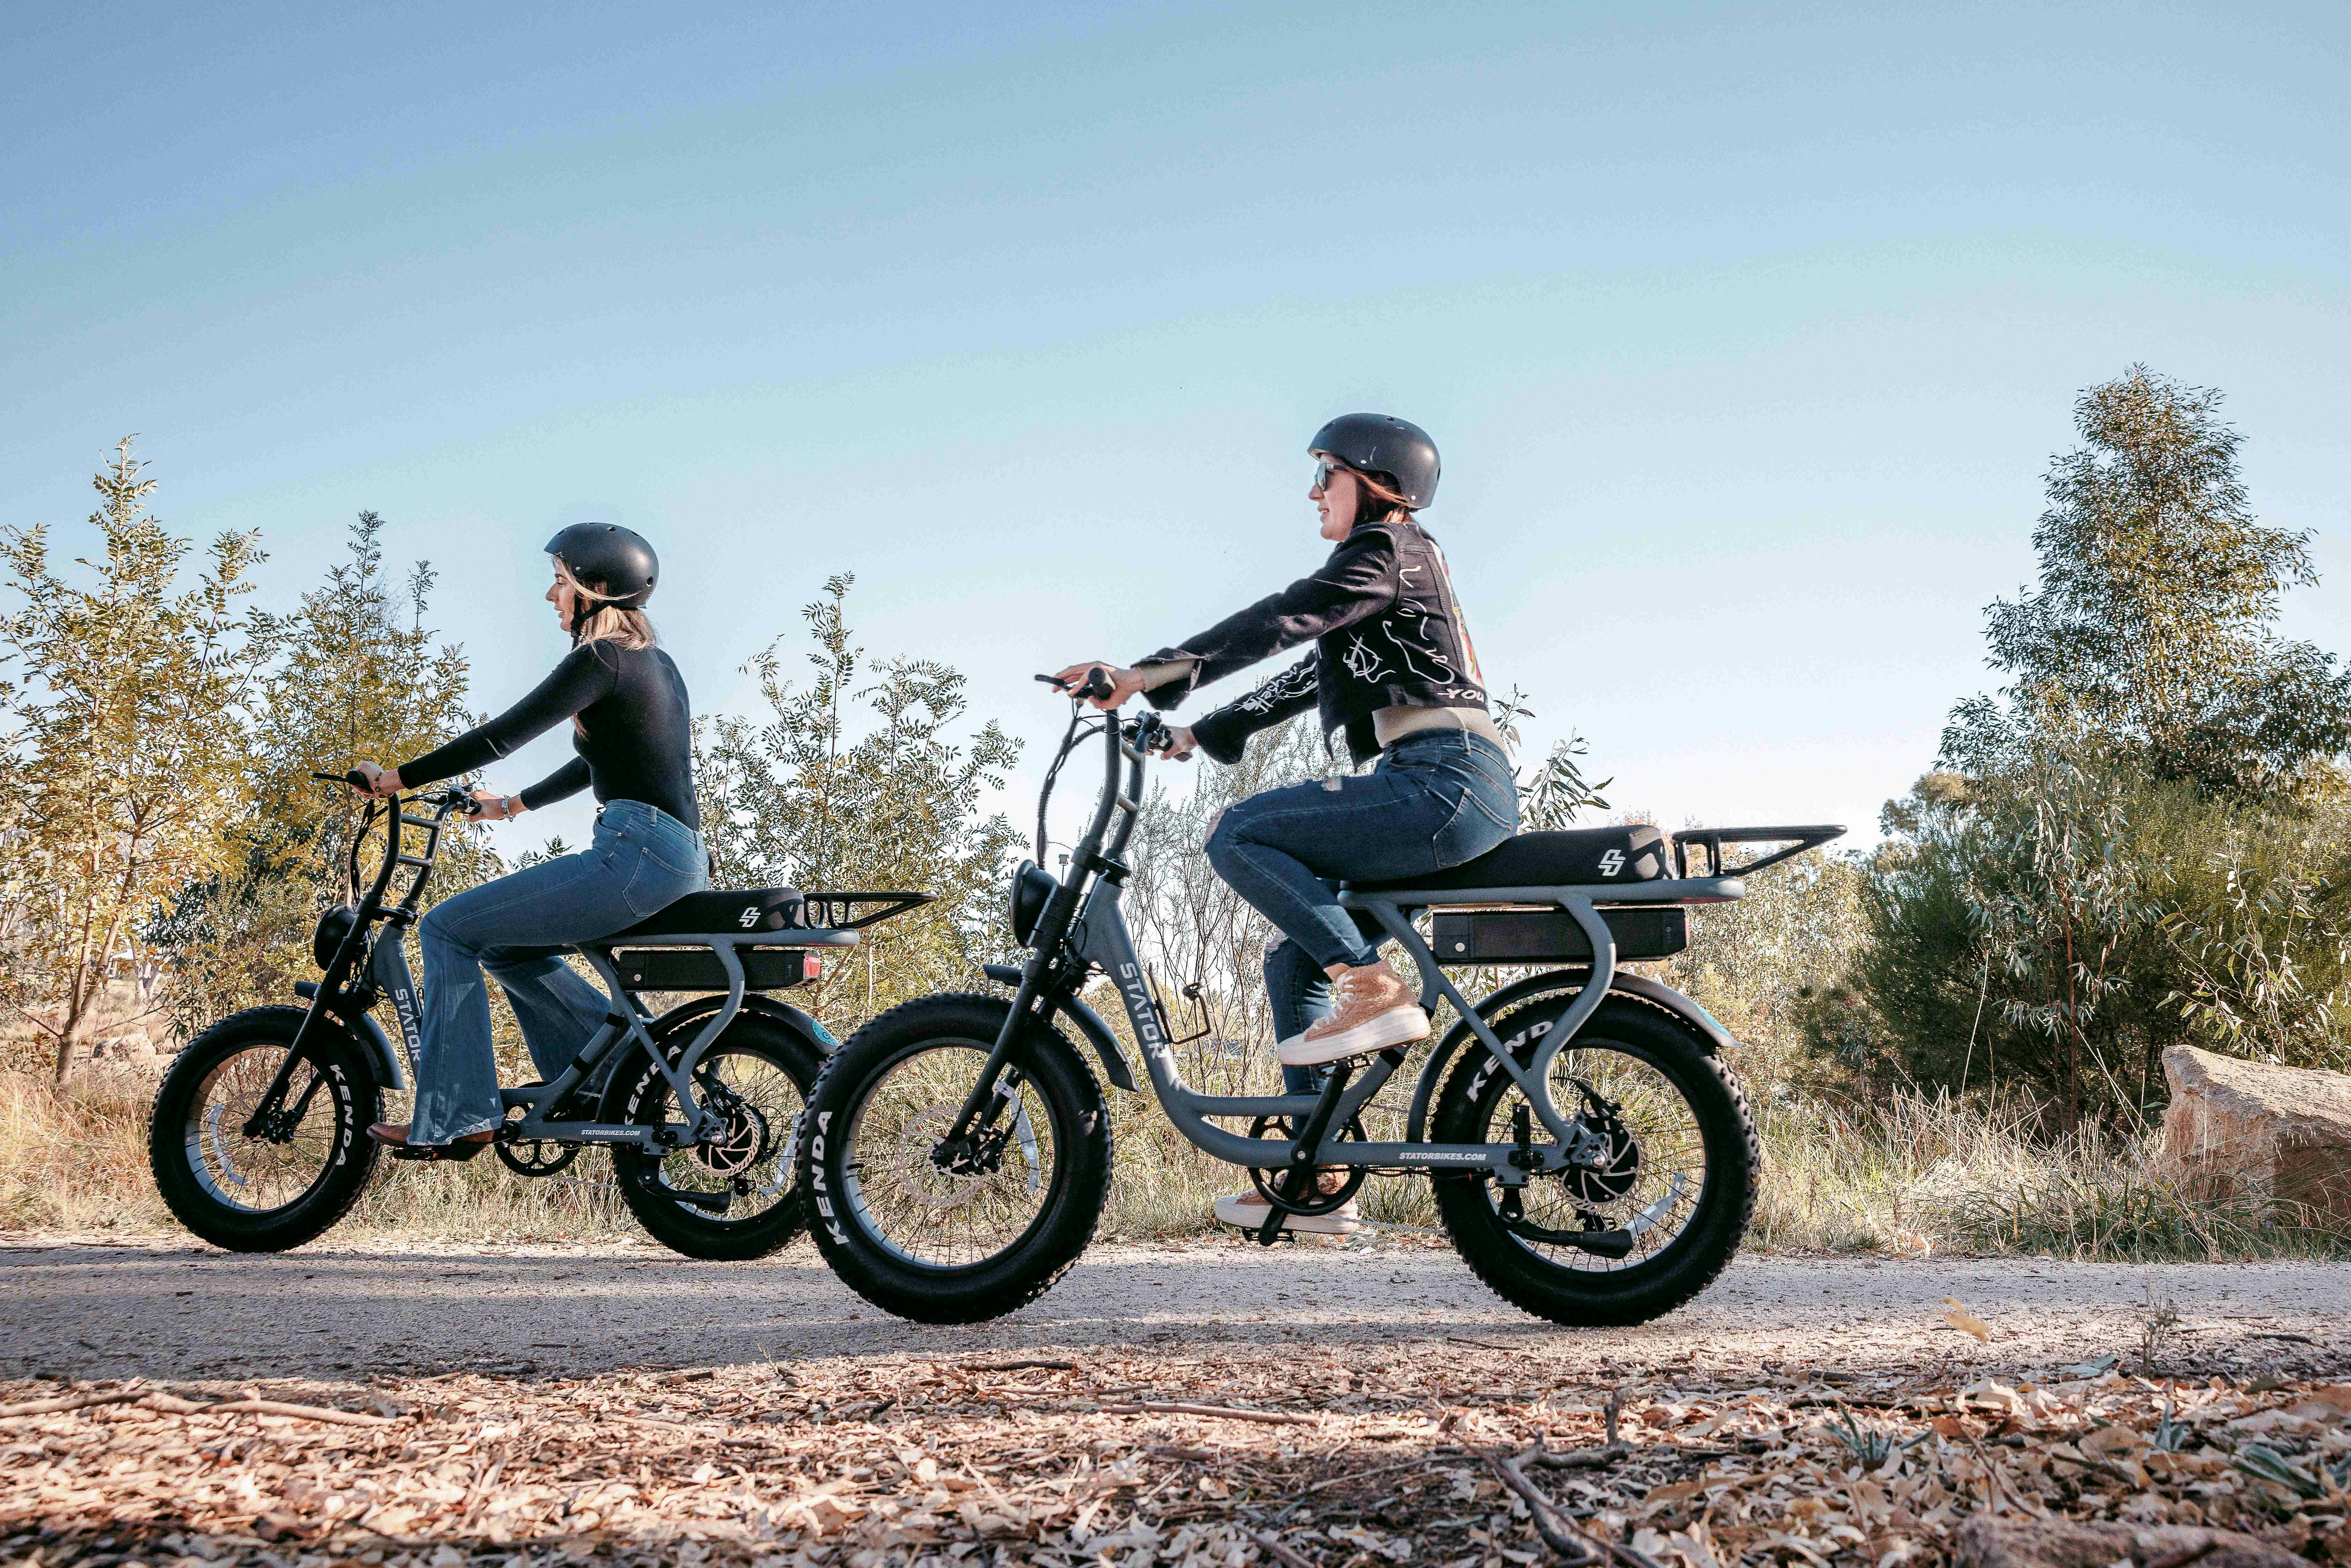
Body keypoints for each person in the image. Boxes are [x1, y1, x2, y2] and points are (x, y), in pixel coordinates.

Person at [1053, 413, 1519, 1234]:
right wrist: (1202, 731)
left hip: (1441, 779)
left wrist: (1148, 673)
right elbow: (1313, 667)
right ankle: (1315, 1165)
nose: (1313, 493)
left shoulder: (1385, 551)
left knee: (1237, 833)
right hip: (1439, 785)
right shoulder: (1391, 573)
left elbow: (1283, 615)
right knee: (1292, 963)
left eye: (1326, 476)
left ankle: (1371, 985)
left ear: (1378, 485)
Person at [351, 523, 708, 1158]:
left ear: (595, 590)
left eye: (560, 580)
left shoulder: (601, 659)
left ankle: (459, 1114)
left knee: (446, 928)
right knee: (506, 949)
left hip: (636, 851)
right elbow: (606, 760)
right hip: (670, 853)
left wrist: (394, 779)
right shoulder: (653, 664)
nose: (551, 595)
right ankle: (610, 1073)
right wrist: (511, 804)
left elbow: (501, 736)